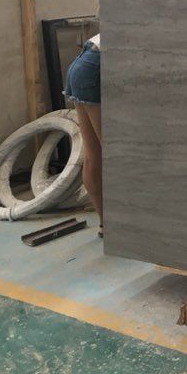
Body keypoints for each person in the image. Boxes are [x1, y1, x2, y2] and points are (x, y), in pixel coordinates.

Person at [64, 33, 103, 238]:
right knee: (118, 155)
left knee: (93, 154)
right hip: (97, 67)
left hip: (82, 64)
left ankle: (106, 224)